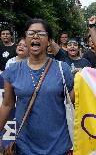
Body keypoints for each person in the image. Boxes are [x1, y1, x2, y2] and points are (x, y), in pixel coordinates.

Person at [0, 18, 74, 154]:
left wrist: (84, 78)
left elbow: (72, 100)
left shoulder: (62, 69)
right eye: (31, 33)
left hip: (58, 146)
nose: (35, 36)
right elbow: (7, 105)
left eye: (41, 33)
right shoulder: (12, 71)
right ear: (25, 38)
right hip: (25, 147)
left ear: (49, 40)